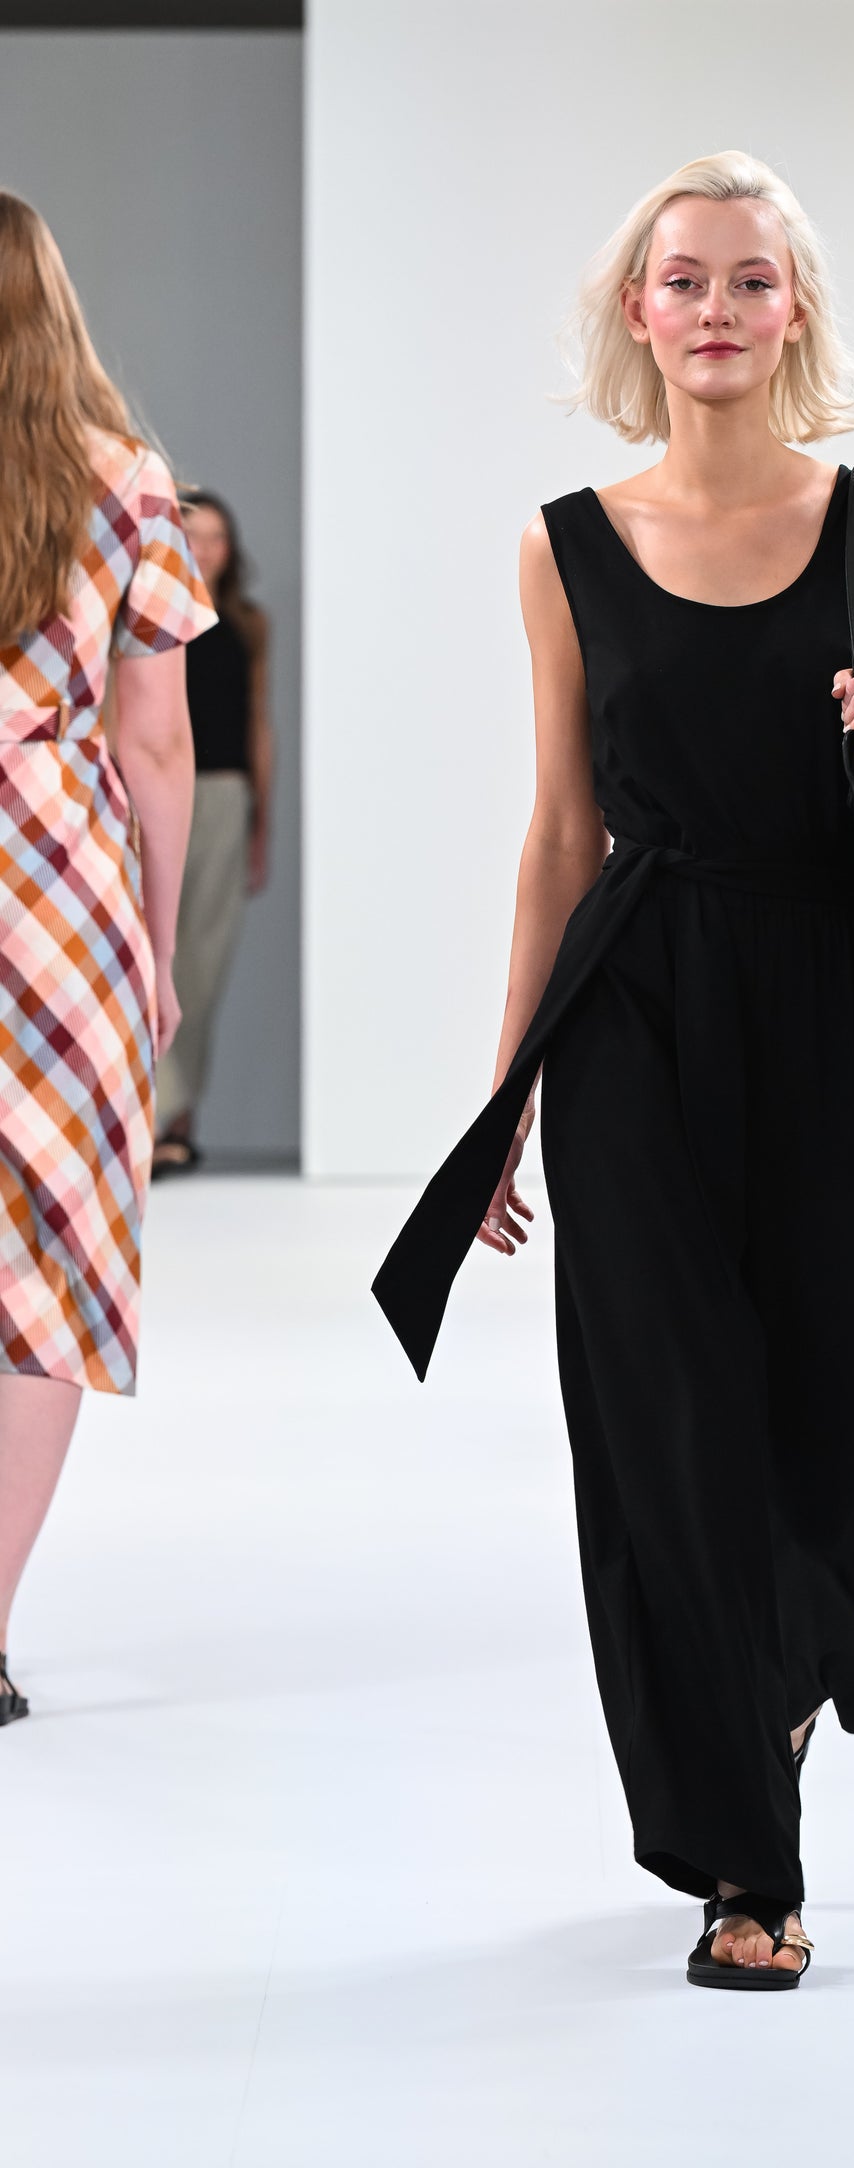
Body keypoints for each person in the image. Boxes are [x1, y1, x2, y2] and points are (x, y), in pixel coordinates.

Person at [371, 151, 854, 1987]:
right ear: (636, 314)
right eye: (683, 280)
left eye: (749, 279)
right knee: (660, 1423)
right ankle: (752, 1867)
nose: (716, 308)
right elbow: (558, 832)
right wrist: (507, 1097)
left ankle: (795, 1653)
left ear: (792, 312)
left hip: (834, 1005)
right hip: (635, 1013)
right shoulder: (563, 544)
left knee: (810, 1433)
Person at [0, 193, 212, 1724]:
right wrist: (156, 942)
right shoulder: (124, 480)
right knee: (46, 1268)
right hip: (59, 890)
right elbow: (155, 744)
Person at [152, 490, 273, 1175]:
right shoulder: (150, 617)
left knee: (204, 961)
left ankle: (178, 1119)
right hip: (156, 796)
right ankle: (149, 1117)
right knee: (156, 960)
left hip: (225, 797)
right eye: (193, 535)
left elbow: (259, 722)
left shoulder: (248, 624)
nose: (205, 550)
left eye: (217, 537)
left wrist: (262, 824)